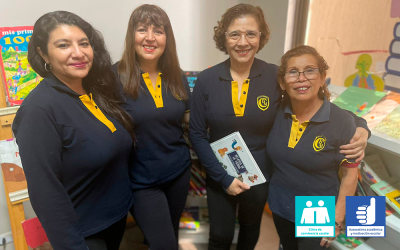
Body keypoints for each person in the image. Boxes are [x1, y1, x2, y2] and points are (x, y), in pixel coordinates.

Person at [189, 4, 369, 250]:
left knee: (251, 228)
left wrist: (361, 124)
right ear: (224, 37)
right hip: (221, 172)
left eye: (251, 33)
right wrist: (223, 177)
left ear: (261, 37)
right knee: (220, 235)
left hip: (262, 176)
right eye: (235, 34)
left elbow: (316, 104)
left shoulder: (275, 77)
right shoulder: (206, 80)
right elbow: (197, 133)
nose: (243, 42)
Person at [12, 11, 134, 250]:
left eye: (84, 43)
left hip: (116, 220)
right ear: (43, 53)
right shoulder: (39, 110)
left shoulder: (95, 91)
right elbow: (46, 193)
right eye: (63, 45)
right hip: (84, 234)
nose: (78, 53)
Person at [113, 4, 191, 250]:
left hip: (179, 171)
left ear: (167, 38)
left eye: (158, 30)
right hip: (142, 181)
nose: (150, 37)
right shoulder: (114, 77)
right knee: (165, 244)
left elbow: (185, 119)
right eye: (142, 29)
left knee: (171, 234)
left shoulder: (176, 75)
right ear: (131, 35)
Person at [267, 45, 360, 249]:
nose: (301, 78)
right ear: (282, 82)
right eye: (293, 72)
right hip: (281, 205)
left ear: (322, 76)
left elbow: (350, 176)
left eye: (310, 70)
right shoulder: (276, 113)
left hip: (317, 210)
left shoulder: (341, 121)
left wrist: (336, 219)